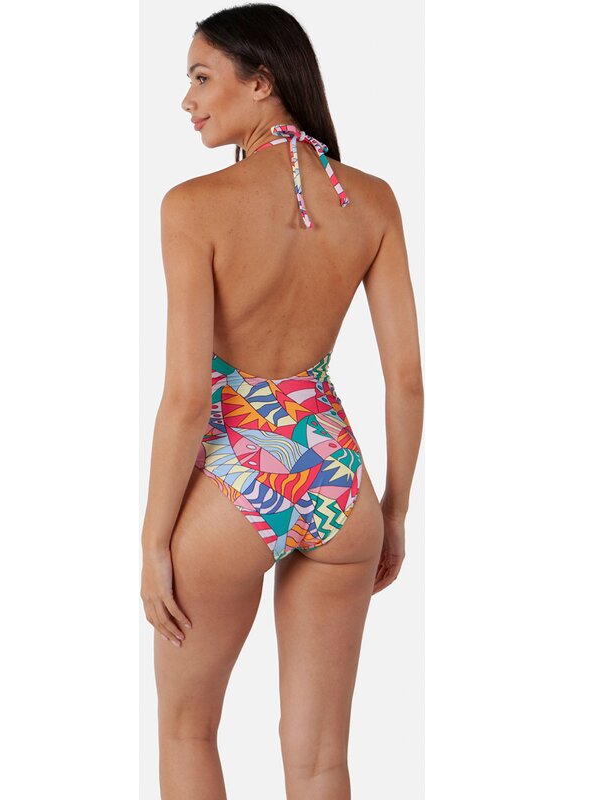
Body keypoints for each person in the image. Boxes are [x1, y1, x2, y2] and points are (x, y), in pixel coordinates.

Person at [140, 4, 424, 798]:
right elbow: (406, 378)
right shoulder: (372, 200)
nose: (188, 100)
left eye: (202, 77)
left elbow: (186, 399)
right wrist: (393, 512)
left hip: (238, 481)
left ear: (261, 82)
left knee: (188, 730)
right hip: (337, 481)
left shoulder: (193, 206)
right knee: (321, 757)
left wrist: (155, 541)